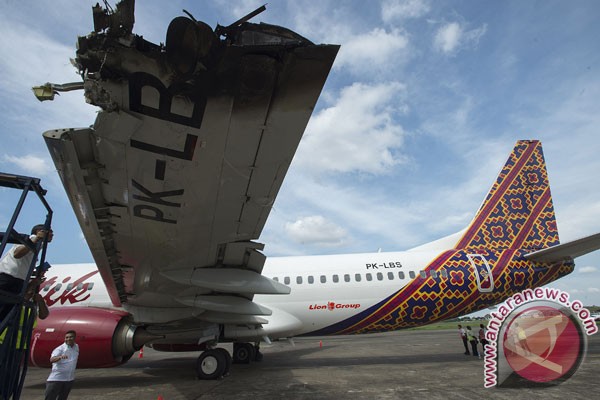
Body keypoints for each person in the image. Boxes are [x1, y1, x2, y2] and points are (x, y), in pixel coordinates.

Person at [45, 330, 79, 400]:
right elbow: (51, 359)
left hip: (69, 380)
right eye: (66, 337)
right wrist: (59, 357)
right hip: (56, 380)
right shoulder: (60, 349)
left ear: (75, 338)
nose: (68, 339)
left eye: (71, 337)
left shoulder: (76, 347)